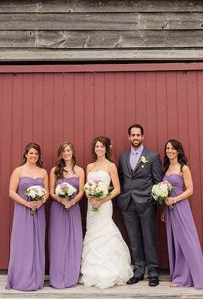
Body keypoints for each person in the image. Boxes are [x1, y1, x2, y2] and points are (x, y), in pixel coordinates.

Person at [80, 136, 133, 288]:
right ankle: (92, 271)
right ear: (94, 148)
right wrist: (90, 197)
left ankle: (109, 271)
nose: (99, 149)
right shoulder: (89, 166)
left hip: (104, 204)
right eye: (97, 146)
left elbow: (117, 189)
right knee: (93, 233)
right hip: (92, 205)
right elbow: (86, 187)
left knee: (104, 232)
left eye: (102, 146)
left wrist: (102, 200)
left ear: (106, 148)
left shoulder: (111, 166)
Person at [117, 124, 163, 286]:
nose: (135, 137)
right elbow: (121, 178)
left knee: (149, 238)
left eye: (138, 135)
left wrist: (154, 201)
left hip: (146, 203)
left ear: (142, 137)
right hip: (127, 203)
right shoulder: (122, 157)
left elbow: (158, 181)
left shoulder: (152, 156)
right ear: (129, 137)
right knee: (134, 238)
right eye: (133, 135)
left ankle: (153, 271)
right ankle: (138, 270)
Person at [162, 139, 203, 289]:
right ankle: (178, 274)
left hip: (181, 207)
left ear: (178, 151)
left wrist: (174, 199)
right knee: (175, 240)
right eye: (167, 148)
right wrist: (164, 209)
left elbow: (190, 190)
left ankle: (188, 277)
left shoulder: (184, 168)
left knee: (186, 240)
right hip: (169, 209)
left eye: (172, 148)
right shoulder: (166, 168)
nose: (170, 151)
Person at [6, 142, 49, 291]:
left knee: (37, 243)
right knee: (23, 243)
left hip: (38, 210)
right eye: (31, 153)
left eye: (36, 154)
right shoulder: (18, 171)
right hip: (22, 211)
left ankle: (36, 278)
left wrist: (41, 201)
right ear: (25, 154)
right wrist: (26, 203)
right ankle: (20, 278)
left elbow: (47, 193)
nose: (33, 156)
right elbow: (11, 192)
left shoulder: (43, 172)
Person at [48, 141, 84, 289]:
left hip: (73, 208)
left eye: (68, 150)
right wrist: (61, 200)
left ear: (72, 152)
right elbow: (51, 191)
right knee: (58, 241)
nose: (66, 153)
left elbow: (81, 191)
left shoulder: (80, 170)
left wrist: (72, 201)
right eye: (64, 151)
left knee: (74, 241)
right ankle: (57, 276)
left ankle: (70, 276)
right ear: (60, 154)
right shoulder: (55, 170)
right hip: (58, 208)